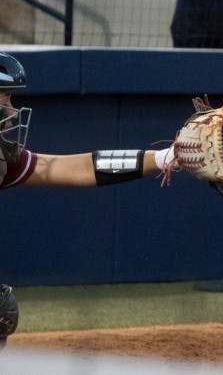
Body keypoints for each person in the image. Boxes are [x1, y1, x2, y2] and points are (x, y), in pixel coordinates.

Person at [0, 51, 187, 345]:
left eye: (12, 100)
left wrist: (165, 157)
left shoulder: (2, 163)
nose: (12, 112)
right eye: (4, 100)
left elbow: (78, 168)